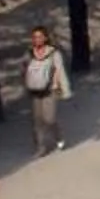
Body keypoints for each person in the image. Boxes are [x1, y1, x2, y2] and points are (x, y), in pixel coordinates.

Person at [18, 25, 72, 157]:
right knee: (37, 120)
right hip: (35, 90)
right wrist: (25, 83)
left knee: (49, 118)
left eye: (40, 37)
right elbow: (23, 69)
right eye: (35, 37)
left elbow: (60, 71)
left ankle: (58, 137)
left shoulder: (53, 53)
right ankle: (41, 147)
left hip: (50, 90)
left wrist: (65, 90)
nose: (37, 39)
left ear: (46, 38)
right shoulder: (29, 53)